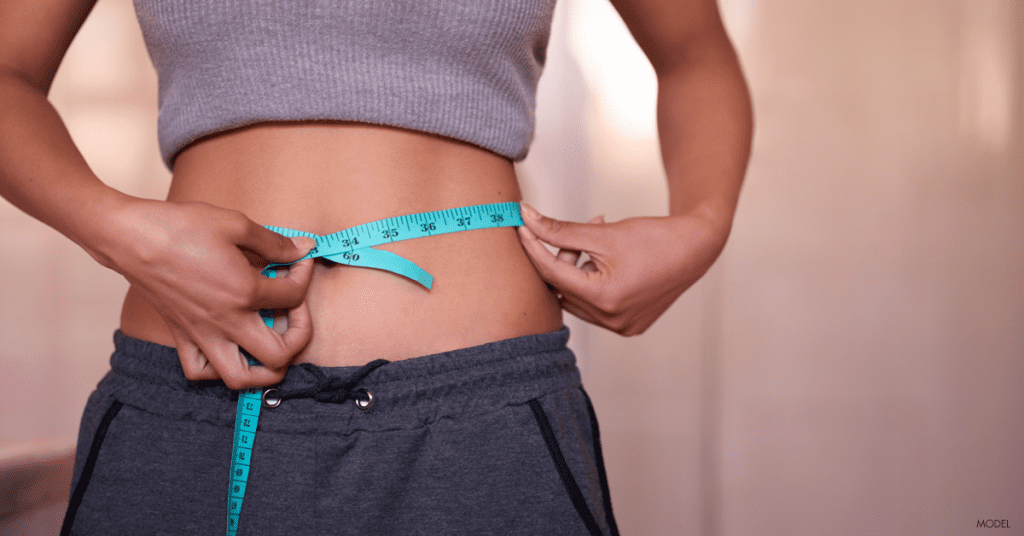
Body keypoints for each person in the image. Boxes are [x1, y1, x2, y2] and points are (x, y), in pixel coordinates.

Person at [0, 0, 751, 534]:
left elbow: (694, 57)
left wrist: (702, 224)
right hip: (189, 406)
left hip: (482, 422)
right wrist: (122, 231)